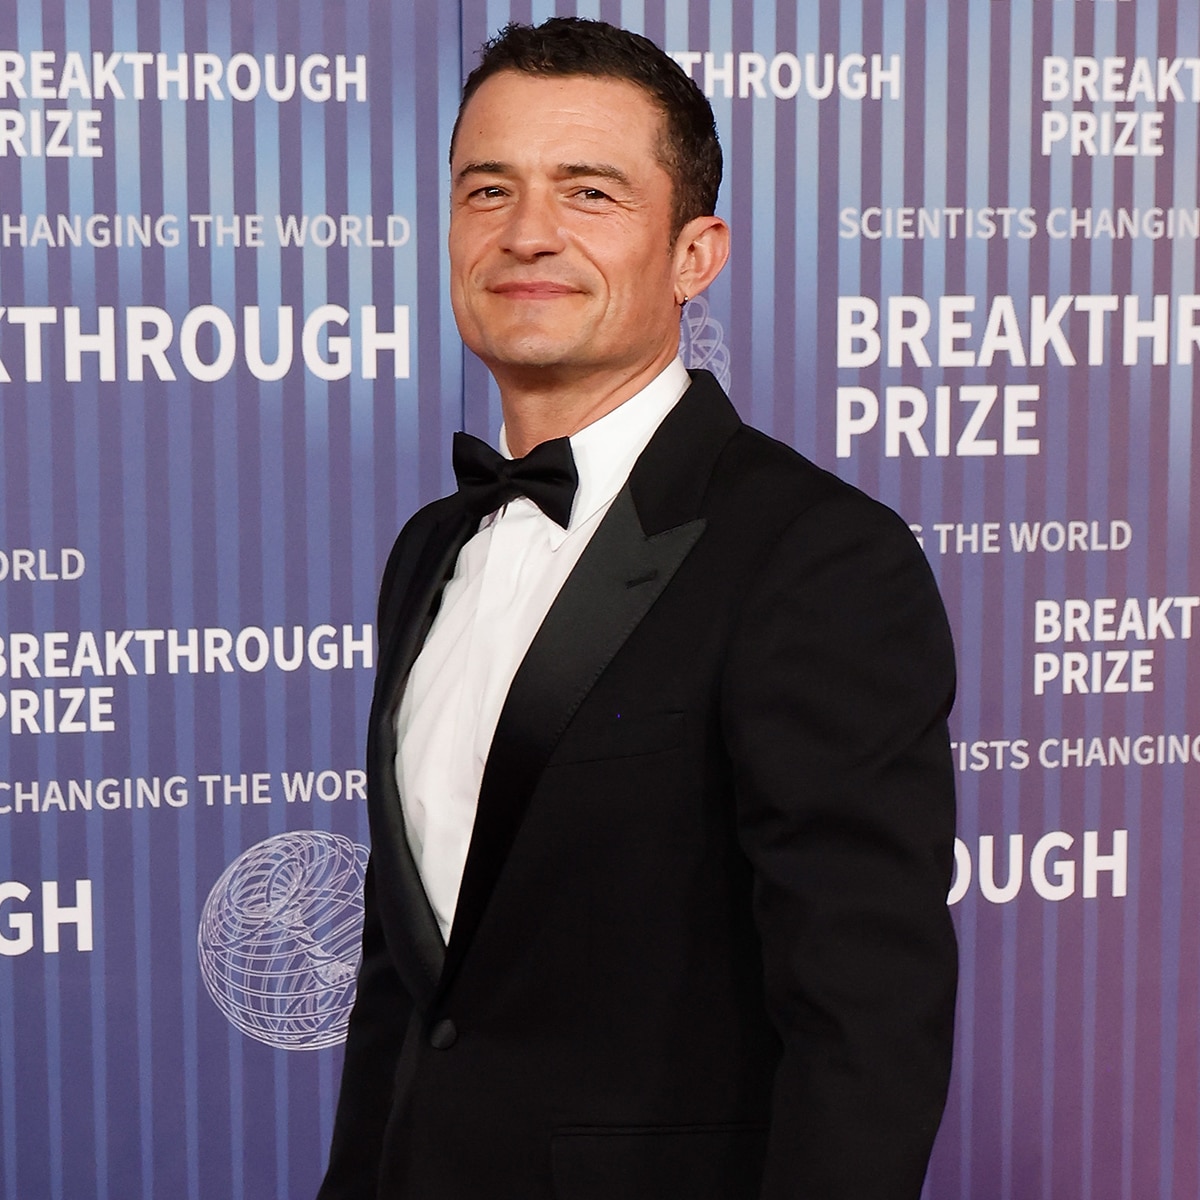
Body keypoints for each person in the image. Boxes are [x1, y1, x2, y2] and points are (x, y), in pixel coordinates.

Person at [317, 17, 957, 1200]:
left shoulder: (815, 557)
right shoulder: (431, 550)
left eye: (590, 192)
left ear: (694, 254)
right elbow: (406, 988)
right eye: (488, 190)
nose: (526, 232)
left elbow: (866, 1027)